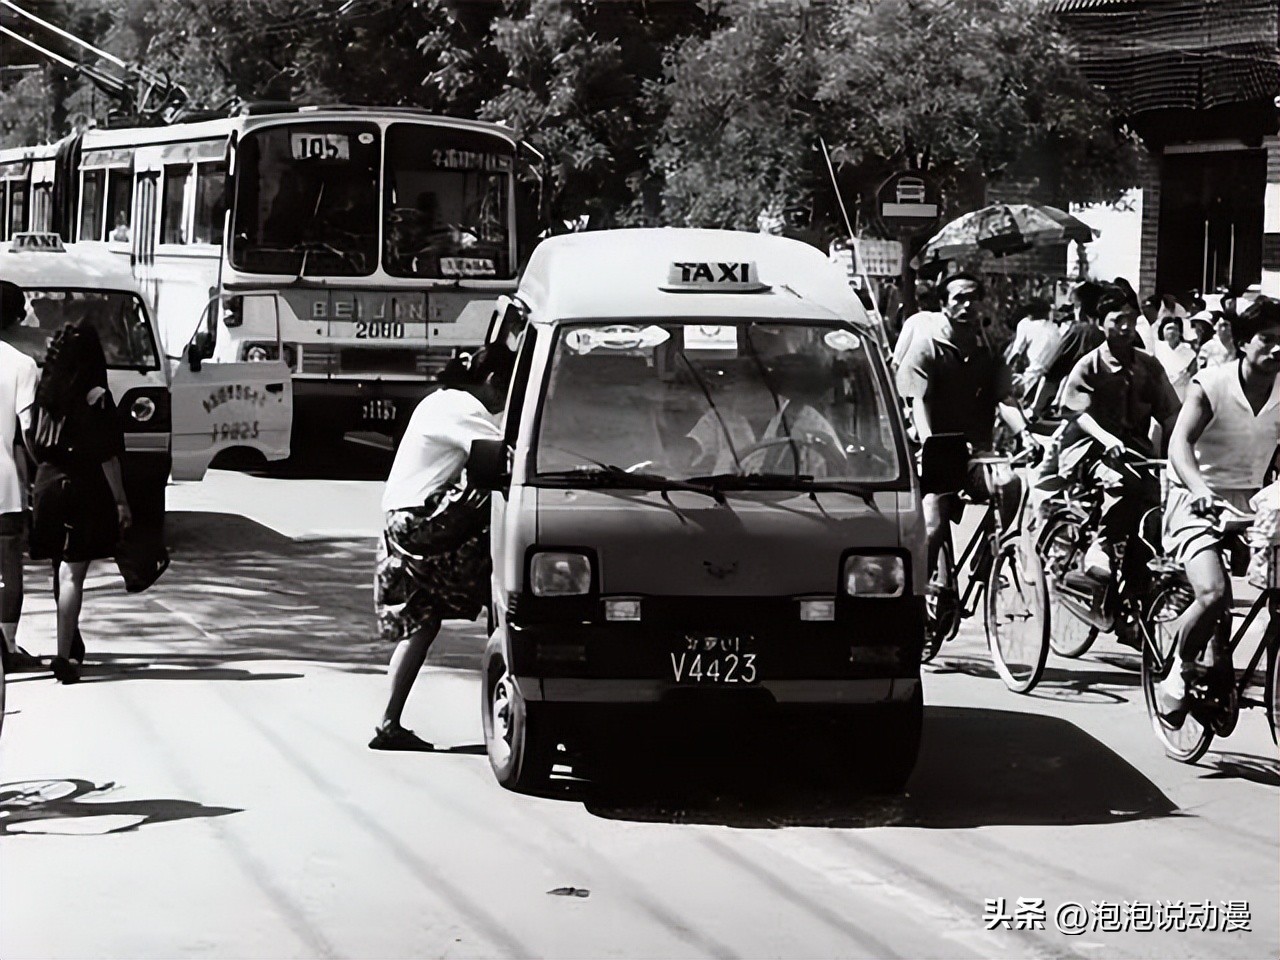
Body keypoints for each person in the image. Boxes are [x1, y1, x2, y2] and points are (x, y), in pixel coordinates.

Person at [371, 345, 512, 750]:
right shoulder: (462, 408)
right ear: (494, 382)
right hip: (420, 520)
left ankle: (387, 723)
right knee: (497, 497)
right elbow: (506, 456)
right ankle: (495, 598)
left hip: (401, 521)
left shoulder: (440, 400)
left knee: (423, 623)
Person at [1155, 297, 1280, 724]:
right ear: (1244, 342)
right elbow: (1178, 444)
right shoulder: (1211, 383)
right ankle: (1179, 668)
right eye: (1268, 339)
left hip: (1255, 503)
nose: (1277, 349)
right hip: (1195, 499)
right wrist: (1198, 487)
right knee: (1213, 593)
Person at [26, 322, 132, 684]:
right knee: (72, 574)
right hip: (83, 486)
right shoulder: (97, 396)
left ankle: (71, 643)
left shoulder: (44, 394)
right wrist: (121, 501)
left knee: (59, 567)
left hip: (47, 484)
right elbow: (108, 457)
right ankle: (64, 656)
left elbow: (32, 442)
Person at [1056, 282, 1180, 591]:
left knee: (1154, 505)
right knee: (1122, 483)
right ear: (1101, 323)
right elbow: (1076, 413)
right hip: (1090, 451)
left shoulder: (1148, 367)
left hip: (1137, 452)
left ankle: (1134, 597)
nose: (1125, 327)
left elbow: (1170, 413)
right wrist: (1106, 439)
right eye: (1117, 320)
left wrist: (1182, 449)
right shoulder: (1089, 365)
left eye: (1130, 319)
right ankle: (1102, 543)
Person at [896, 272, 1015, 581]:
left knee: (1011, 485)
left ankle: (986, 562)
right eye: (959, 299)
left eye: (974, 298)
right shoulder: (927, 347)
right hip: (939, 452)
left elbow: (1006, 399)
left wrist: (1026, 433)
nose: (968, 305)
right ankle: (918, 599)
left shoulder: (989, 353)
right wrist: (929, 442)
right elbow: (917, 402)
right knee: (934, 525)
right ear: (944, 306)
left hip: (977, 453)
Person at [0, 281, 40, 673]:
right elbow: (29, 430)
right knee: (9, 565)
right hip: (5, 484)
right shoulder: (21, 365)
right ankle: (7, 647)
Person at [1004, 298, 1062, 411]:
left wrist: (1003, 371)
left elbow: (1016, 352)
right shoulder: (1056, 328)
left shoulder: (1025, 324)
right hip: (1052, 379)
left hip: (1032, 377)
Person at [1151, 314, 1198, 401]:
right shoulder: (1155, 348)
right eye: (1169, 328)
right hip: (1161, 394)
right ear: (1162, 331)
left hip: (1182, 395)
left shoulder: (1189, 352)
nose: (1172, 332)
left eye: (1175, 329)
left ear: (1180, 333)